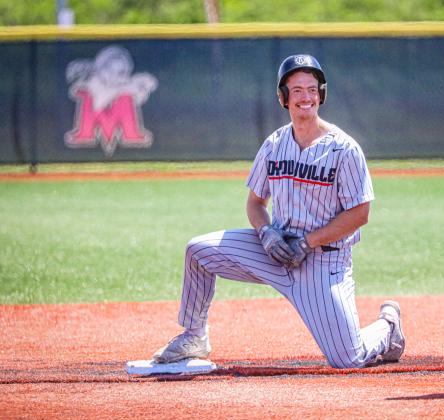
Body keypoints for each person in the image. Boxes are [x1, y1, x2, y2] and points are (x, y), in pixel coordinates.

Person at [152, 54, 405, 369]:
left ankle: (387, 326)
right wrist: (266, 233)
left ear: (321, 95)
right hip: (275, 252)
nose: (306, 97)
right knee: (199, 251)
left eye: (312, 89)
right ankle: (194, 336)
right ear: (283, 98)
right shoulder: (274, 144)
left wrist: (307, 242)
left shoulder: (344, 149)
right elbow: (255, 204)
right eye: (296, 90)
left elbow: (359, 214)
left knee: (347, 359)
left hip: (322, 262)